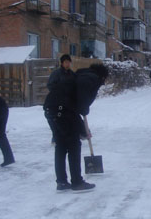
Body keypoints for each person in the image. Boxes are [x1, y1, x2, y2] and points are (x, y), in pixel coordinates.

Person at [44, 62, 108, 191]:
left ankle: (61, 182)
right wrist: (84, 111)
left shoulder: (79, 75)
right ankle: (77, 182)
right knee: (73, 145)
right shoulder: (91, 79)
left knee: (61, 146)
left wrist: (83, 128)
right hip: (63, 111)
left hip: (51, 109)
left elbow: (74, 104)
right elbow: (81, 102)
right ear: (102, 76)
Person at [46, 54, 76, 143]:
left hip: (69, 102)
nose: (67, 64)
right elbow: (50, 86)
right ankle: (56, 138)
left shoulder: (72, 74)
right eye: (65, 62)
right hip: (57, 101)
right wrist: (60, 91)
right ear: (62, 63)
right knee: (56, 120)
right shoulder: (56, 74)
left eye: (69, 62)